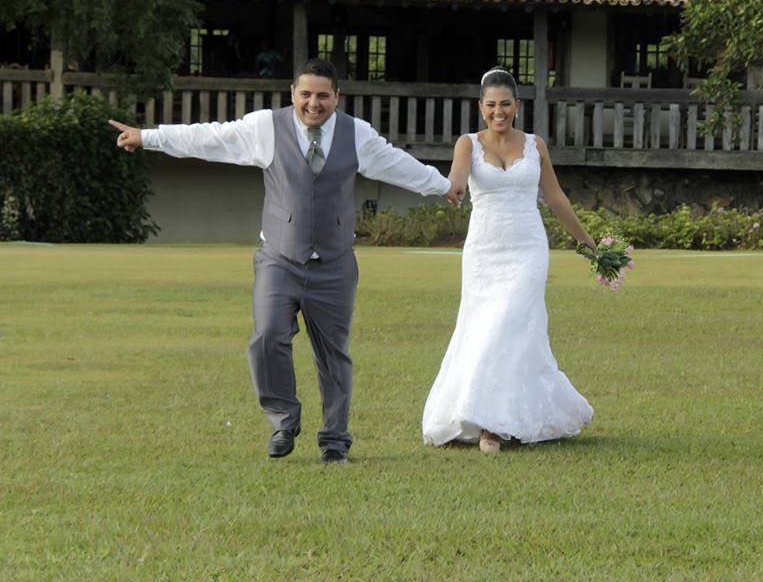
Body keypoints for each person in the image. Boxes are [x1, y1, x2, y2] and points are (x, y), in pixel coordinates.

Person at [110, 59, 463, 463]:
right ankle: (283, 420)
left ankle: (334, 441)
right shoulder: (266, 127)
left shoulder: (356, 134)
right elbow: (210, 138)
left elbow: (395, 162)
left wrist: (441, 186)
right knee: (266, 338)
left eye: (323, 96)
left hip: (334, 263)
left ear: (337, 98)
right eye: (306, 94)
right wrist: (148, 137)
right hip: (279, 258)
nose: (314, 103)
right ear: (293, 93)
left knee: (334, 355)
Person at [421, 67, 596, 454]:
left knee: (512, 327)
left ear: (517, 106)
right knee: (484, 329)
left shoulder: (536, 145)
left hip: (528, 250)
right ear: (480, 107)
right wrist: (449, 188)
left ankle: (494, 426)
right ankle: (486, 415)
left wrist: (588, 244)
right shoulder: (468, 144)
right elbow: (457, 179)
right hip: (484, 251)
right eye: (490, 105)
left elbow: (556, 198)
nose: (498, 112)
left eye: (505, 104)